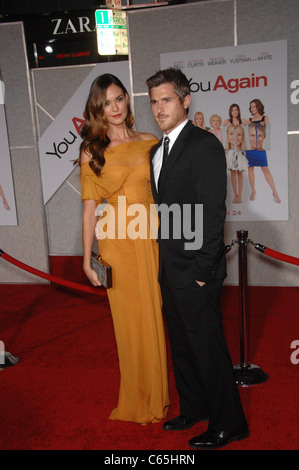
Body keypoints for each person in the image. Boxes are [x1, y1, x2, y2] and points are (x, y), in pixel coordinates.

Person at [146, 67, 248, 449]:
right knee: (183, 346)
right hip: (170, 270)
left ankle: (231, 422)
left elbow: (212, 211)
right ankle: (195, 407)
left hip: (197, 270)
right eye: (154, 101)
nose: (159, 108)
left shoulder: (204, 144)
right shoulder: (157, 152)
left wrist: (205, 270)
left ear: (186, 100)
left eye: (166, 99)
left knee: (208, 348)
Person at [78, 73, 169, 424]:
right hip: (116, 242)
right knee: (130, 322)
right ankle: (139, 397)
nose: (114, 108)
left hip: (150, 239)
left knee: (154, 315)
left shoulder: (149, 141)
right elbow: (89, 210)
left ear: (128, 100)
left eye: (119, 99)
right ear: (97, 110)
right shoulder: (92, 150)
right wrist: (87, 260)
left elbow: (166, 195)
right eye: (106, 103)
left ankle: (157, 393)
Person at [225, 124, 248, 204]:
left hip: (240, 155)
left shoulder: (242, 150)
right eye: (232, 134)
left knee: (240, 173)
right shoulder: (228, 151)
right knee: (233, 174)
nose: (235, 137)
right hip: (231, 154)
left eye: (239, 135)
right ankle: (235, 195)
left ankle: (240, 195)